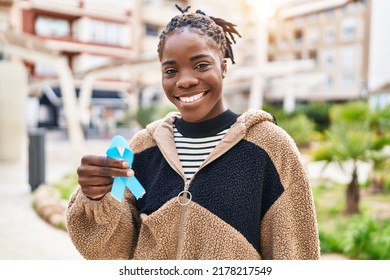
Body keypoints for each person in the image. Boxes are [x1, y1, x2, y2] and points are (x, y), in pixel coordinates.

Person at [66, 5, 320, 260]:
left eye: (200, 65)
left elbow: (296, 253)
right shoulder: (143, 149)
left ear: (223, 67)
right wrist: (96, 197)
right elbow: (111, 252)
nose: (184, 80)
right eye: (171, 71)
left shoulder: (270, 148)